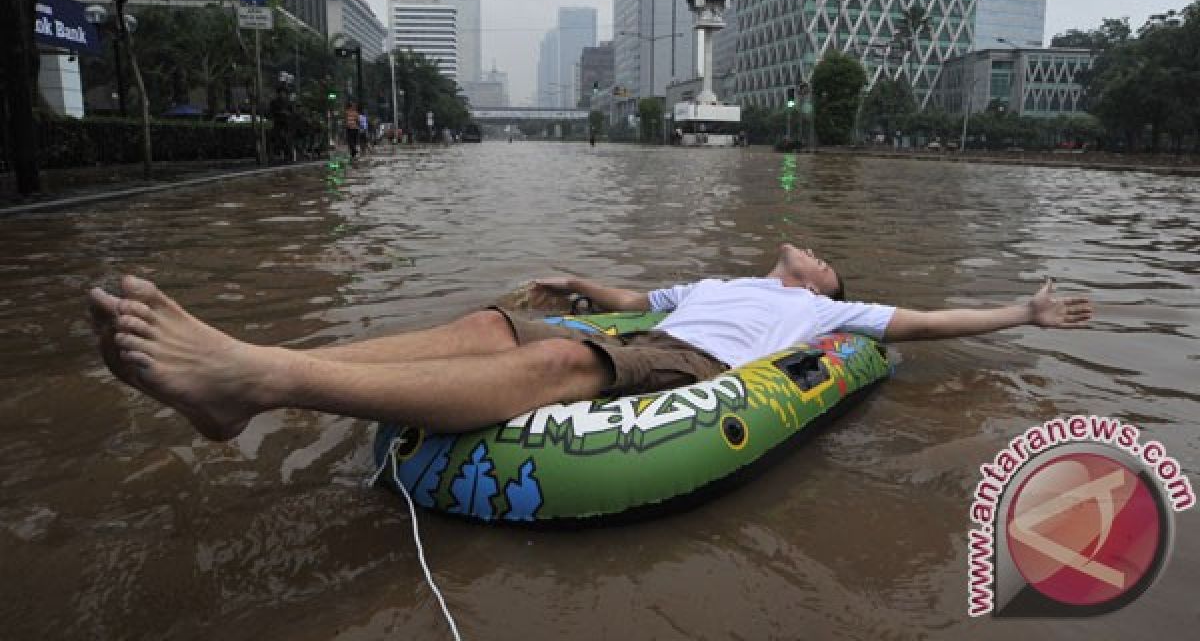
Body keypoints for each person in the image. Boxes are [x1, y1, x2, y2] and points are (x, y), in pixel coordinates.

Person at [86, 243, 1092, 443]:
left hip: (694, 368)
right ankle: (255, 362)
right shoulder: (723, 277)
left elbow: (933, 321)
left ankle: (258, 382)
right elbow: (633, 296)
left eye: (823, 256)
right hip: (657, 329)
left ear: (827, 286)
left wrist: (1022, 311)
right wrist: (576, 282)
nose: (811, 249)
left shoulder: (828, 316)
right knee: (492, 324)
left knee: (567, 363)